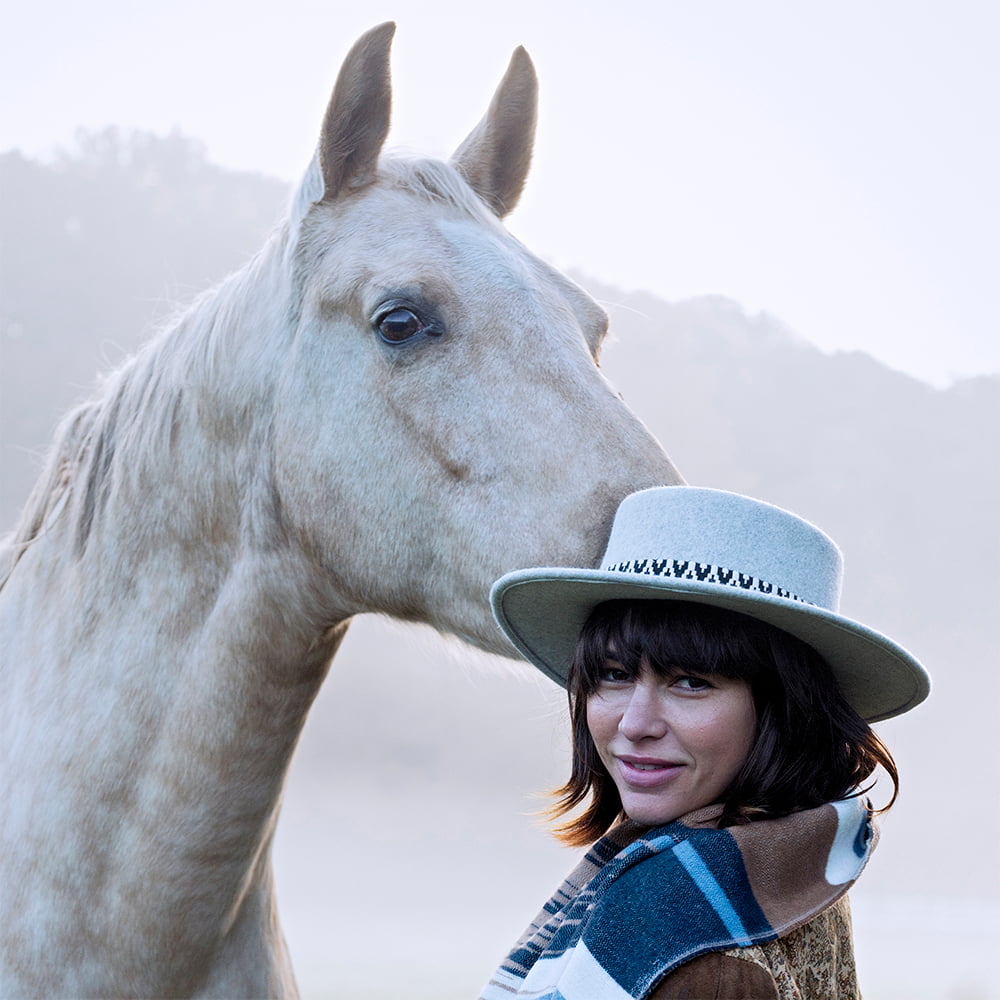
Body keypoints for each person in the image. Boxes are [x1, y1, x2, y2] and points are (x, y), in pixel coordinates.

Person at [480, 486, 930, 1000]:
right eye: (614, 674)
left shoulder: (683, 942)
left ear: (786, 710)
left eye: (691, 681)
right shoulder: (794, 868)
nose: (635, 723)